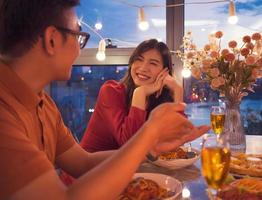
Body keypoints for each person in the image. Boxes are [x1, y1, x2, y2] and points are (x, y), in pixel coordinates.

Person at [0, 1, 210, 199]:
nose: (79, 49)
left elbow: (84, 162)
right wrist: (150, 132)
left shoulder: (43, 103)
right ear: (52, 39)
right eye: (79, 37)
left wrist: (150, 150)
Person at [81, 39, 184, 152]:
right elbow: (129, 144)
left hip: (131, 167)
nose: (143, 68)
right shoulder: (110, 91)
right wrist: (140, 93)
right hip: (91, 167)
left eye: (153, 63)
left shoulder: (158, 99)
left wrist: (177, 90)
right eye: (139, 59)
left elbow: (175, 140)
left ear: (165, 71)